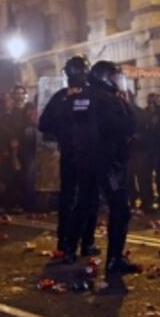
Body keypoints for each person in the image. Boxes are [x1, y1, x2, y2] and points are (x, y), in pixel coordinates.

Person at [72, 61, 139, 274]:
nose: (116, 81)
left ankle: (68, 249)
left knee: (83, 204)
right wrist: (126, 103)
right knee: (120, 210)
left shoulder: (80, 98)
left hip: (83, 159)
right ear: (104, 77)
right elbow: (129, 126)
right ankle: (114, 259)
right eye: (113, 77)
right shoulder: (110, 100)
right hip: (109, 162)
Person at [38, 55, 101, 260]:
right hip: (90, 155)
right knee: (89, 198)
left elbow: (44, 124)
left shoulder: (60, 97)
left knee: (68, 199)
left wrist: (62, 132)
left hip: (69, 154)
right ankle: (86, 242)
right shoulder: (94, 95)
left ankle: (64, 242)